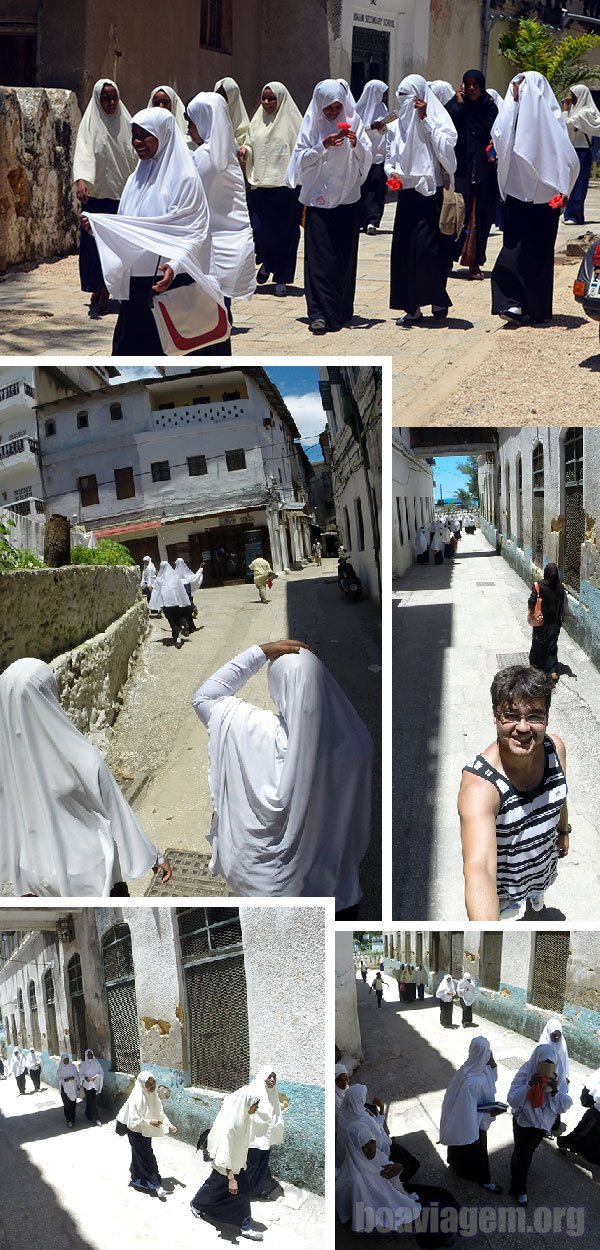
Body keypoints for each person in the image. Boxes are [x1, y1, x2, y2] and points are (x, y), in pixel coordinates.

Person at [191, 640, 373, 916]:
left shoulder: (255, 731)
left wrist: (261, 652)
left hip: (268, 891)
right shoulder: (357, 742)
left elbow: (204, 697)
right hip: (337, 891)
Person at [0, 657, 171, 897]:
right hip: (91, 876)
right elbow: (116, 812)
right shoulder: (78, 756)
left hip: (36, 878)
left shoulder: (7, 764)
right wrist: (153, 855)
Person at [81, 108, 228, 356]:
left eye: (144, 135)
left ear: (164, 135)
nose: (137, 142)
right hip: (136, 284)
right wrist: (100, 229)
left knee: (172, 346)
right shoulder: (134, 179)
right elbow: (130, 228)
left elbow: (195, 231)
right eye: (134, 135)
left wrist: (175, 265)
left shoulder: (185, 180)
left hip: (168, 281)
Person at [459, 664, 569, 920]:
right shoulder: (480, 786)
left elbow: (560, 794)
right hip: (504, 887)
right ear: (495, 716)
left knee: (537, 898)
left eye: (534, 716)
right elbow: (480, 868)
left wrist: (563, 832)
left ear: (546, 718)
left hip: (542, 865)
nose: (522, 727)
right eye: (510, 715)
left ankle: (535, 901)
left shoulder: (555, 749)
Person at [490, 72, 579, 324]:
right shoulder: (510, 118)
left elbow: (569, 161)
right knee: (512, 251)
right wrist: (515, 105)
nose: (518, 90)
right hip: (517, 194)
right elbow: (499, 137)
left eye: (523, 86)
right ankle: (512, 303)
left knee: (539, 255)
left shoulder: (552, 123)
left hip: (545, 199)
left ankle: (536, 309)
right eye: (515, 85)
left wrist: (564, 191)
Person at [286, 79, 371, 334]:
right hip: (318, 203)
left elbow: (366, 159)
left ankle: (342, 309)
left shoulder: (354, 123)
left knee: (344, 259)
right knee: (319, 260)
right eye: (328, 109)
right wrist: (322, 146)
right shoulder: (311, 126)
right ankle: (318, 312)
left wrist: (355, 144)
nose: (333, 113)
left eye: (337, 107)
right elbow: (300, 161)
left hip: (347, 200)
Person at [386, 75, 457, 326]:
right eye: (400, 98)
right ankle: (411, 306)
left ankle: (437, 298)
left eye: (409, 98)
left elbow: (447, 147)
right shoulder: (396, 126)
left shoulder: (435, 119)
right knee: (405, 252)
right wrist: (391, 173)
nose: (405, 103)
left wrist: (425, 119)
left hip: (431, 191)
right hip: (406, 193)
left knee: (430, 251)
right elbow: (389, 157)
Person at [337, 1121, 460, 1246]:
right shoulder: (353, 1180)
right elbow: (365, 1214)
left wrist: (398, 1168)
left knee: (441, 1194)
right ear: (354, 1148)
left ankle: (451, 1229)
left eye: (372, 1141)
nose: (371, 1148)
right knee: (432, 1219)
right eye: (365, 1146)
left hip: (396, 1192)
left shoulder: (377, 1156)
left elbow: (391, 1180)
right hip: (385, 1209)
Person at [186, 92, 256, 308]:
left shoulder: (205, 156)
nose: (188, 127)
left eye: (192, 122)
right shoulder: (228, 152)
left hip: (211, 241)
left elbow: (188, 193)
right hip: (230, 239)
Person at [73, 78, 137, 314]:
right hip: (96, 196)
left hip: (121, 198)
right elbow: (83, 152)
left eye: (114, 97)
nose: (111, 103)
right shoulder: (90, 124)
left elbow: (135, 156)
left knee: (114, 247)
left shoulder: (127, 123)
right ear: (98, 100)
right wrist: (81, 181)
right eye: (106, 98)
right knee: (92, 246)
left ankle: (107, 288)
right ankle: (97, 287)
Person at [241, 82, 303, 295]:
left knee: (285, 236)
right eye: (264, 98)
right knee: (258, 231)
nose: (266, 103)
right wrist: (245, 151)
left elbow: (301, 151)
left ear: (281, 99)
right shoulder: (257, 121)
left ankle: (282, 277)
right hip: (260, 185)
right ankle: (267, 262)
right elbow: (251, 143)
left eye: (271, 99)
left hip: (286, 188)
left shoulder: (294, 123)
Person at [190, 1085, 262, 1241]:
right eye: (255, 1104)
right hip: (226, 1166)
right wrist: (231, 1178)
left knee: (243, 1190)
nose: (257, 1108)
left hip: (236, 1165)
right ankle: (196, 1204)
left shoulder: (244, 1118)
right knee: (214, 1187)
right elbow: (224, 1151)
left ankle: (245, 1226)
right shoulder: (231, 1125)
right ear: (246, 1103)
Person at [445, 71, 499, 279]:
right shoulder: (457, 105)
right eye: (468, 84)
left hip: (484, 171)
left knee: (479, 216)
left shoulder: (490, 107)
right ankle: (448, 256)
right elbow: (446, 126)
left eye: (476, 85)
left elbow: (496, 133)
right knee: (457, 213)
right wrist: (458, 104)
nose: (472, 89)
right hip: (461, 169)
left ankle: (474, 261)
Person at [507, 1044, 572, 1204]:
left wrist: (555, 1091)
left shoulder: (559, 1076)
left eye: (550, 1063)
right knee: (525, 1156)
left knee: (524, 1153)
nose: (546, 1067)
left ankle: (516, 1172)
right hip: (524, 1122)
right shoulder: (526, 1072)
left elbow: (564, 1105)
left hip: (542, 1126)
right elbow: (512, 1099)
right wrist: (529, 1084)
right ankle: (520, 1189)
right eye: (543, 1063)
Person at [440, 1036, 504, 1191]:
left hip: (467, 1117)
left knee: (460, 1144)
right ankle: (483, 1179)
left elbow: (492, 1079)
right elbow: (467, 1112)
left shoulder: (471, 1067)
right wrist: (487, 1114)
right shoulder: (471, 1081)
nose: (490, 1054)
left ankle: (456, 1164)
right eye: (487, 1051)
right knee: (477, 1150)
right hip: (472, 1121)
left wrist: (493, 1065)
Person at [116, 1070, 177, 1196]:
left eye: (153, 1083)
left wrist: (169, 1124)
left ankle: (136, 1178)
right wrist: (150, 1122)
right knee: (148, 1157)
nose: (152, 1086)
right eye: (148, 1084)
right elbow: (134, 1121)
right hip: (135, 1133)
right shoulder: (136, 1099)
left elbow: (160, 1113)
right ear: (142, 1084)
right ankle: (156, 1185)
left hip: (146, 1132)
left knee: (139, 1156)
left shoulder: (153, 1095)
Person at [354, 79, 389, 234]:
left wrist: (384, 127)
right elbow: (357, 131)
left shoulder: (382, 107)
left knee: (376, 188)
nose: (385, 96)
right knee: (362, 188)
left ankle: (372, 221)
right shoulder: (358, 111)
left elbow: (386, 130)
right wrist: (371, 127)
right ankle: (359, 219)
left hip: (379, 156)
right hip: (363, 156)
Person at [562, 84, 600, 224]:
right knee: (569, 183)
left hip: (581, 151)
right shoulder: (576, 110)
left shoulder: (585, 112)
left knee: (579, 184)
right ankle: (568, 213)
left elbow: (565, 124)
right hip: (571, 150)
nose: (570, 99)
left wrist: (565, 108)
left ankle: (575, 215)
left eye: (572, 96)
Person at [246, 1066, 285, 1199]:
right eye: (270, 1076)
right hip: (253, 1139)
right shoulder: (253, 1092)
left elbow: (276, 1114)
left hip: (266, 1139)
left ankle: (255, 1191)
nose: (272, 1079)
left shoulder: (273, 1093)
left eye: (274, 1076)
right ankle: (243, 1193)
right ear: (264, 1077)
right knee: (251, 1166)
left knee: (262, 1166)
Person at [528, 563, 567, 681]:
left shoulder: (539, 585)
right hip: (554, 624)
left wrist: (530, 612)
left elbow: (532, 602)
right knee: (551, 646)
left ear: (546, 572)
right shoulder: (560, 587)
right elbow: (563, 605)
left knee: (538, 643)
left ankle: (536, 667)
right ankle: (552, 671)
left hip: (541, 623)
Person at [558, 1067, 600, 1164]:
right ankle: (564, 1143)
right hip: (597, 1112)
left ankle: (565, 1143)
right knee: (585, 1131)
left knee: (586, 1131)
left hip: (596, 1110)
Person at [149, 560, 191, 647]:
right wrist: (184, 601)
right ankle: (184, 624)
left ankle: (178, 640)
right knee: (178, 618)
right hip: (176, 604)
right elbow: (181, 591)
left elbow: (156, 593)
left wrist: (155, 605)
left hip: (166, 606)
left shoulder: (159, 579)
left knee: (173, 622)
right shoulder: (175, 577)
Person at [214, 77, 250, 149]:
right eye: (218, 95)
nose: (221, 100)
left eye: (224, 96)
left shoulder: (245, 129)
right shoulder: (211, 120)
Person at [174, 556, 203, 634]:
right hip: (188, 598)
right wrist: (200, 569)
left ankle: (188, 627)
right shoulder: (188, 575)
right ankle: (191, 627)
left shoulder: (174, 575)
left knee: (182, 613)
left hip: (180, 599)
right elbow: (196, 577)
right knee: (188, 612)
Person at [79, 1049, 104, 1125]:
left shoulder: (96, 1063)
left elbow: (101, 1073)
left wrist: (96, 1076)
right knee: (92, 1101)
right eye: (88, 1054)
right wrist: (85, 1078)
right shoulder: (83, 1064)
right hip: (87, 1086)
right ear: (86, 1055)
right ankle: (96, 1118)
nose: (90, 1055)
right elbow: (80, 1075)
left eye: (91, 1054)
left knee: (91, 1100)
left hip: (95, 1085)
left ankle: (87, 1113)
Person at [58, 1054, 80, 1128]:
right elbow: (58, 1079)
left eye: (67, 1059)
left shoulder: (73, 1067)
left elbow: (77, 1075)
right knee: (67, 1105)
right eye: (65, 1059)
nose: (66, 1061)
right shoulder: (60, 1069)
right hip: (64, 1090)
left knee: (73, 1104)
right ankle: (69, 1120)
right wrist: (64, 1079)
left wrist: (73, 1078)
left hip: (73, 1089)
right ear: (62, 1060)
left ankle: (72, 1119)